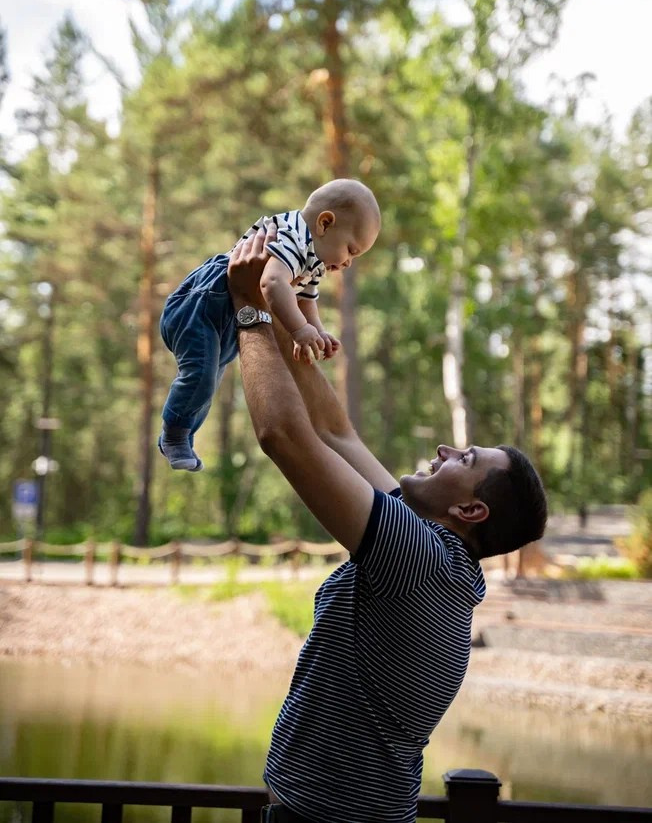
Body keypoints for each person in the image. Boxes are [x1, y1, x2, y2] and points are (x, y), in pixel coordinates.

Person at [227, 226, 548, 823]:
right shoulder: (429, 550)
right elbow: (335, 432)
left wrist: (247, 312)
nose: (448, 448)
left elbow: (287, 440)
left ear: (470, 512)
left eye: (467, 460)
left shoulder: (421, 562)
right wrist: (280, 312)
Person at [158, 178, 381, 471]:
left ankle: (183, 433)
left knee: (209, 379)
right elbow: (272, 283)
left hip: (227, 318)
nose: (350, 262)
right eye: (351, 250)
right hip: (201, 307)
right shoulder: (293, 238)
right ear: (325, 224)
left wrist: (317, 331)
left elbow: (304, 301)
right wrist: (300, 330)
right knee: (199, 375)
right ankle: (174, 434)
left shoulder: (313, 261)